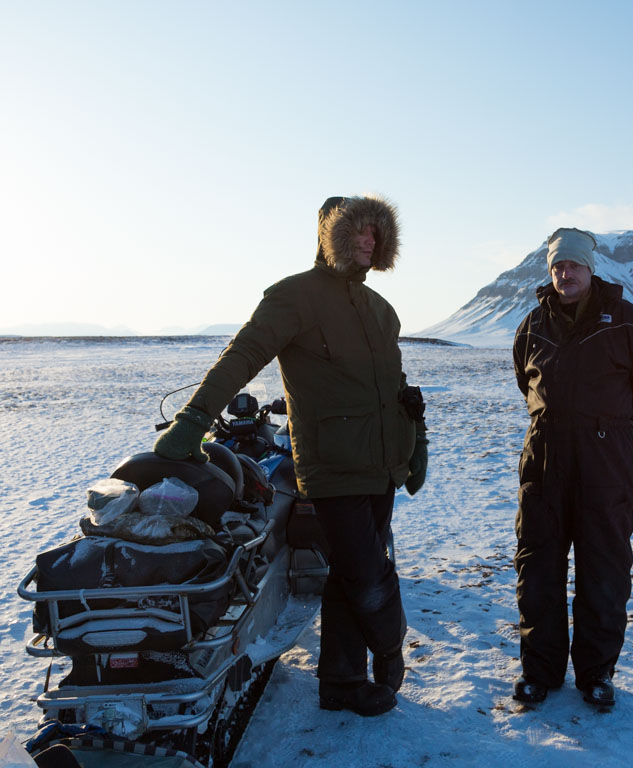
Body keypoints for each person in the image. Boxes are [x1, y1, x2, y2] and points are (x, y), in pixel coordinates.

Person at [154, 194, 427, 717]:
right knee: (368, 573)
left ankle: (342, 682)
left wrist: (417, 446)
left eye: (375, 233)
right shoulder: (294, 297)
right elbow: (243, 354)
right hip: (332, 468)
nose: (367, 241)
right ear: (333, 237)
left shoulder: (379, 309)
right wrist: (193, 420)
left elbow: (393, 387)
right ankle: (390, 651)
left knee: (349, 574)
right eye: (357, 233)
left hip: (383, 465)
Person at [511, 227, 633, 708]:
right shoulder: (534, 324)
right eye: (558, 266)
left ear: (589, 269)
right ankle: (540, 673)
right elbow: (525, 380)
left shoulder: (628, 323)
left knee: (604, 569)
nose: (565, 273)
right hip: (545, 461)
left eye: (573, 265)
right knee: (538, 567)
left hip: (606, 464)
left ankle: (597, 674)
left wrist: (614, 430)